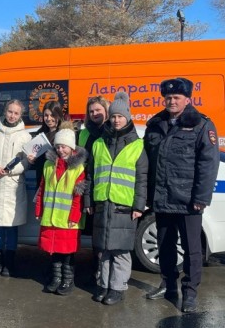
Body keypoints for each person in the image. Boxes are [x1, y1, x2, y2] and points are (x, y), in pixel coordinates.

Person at [144, 77, 220, 313]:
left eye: (176, 97)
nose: (171, 101)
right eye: (168, 97)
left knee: (191, 249)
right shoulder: (155, 124)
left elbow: (209, 164)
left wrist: (201, 198)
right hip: (162, 198)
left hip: (188, 201)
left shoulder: (201, 125)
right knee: (165, 246)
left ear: (188, 99)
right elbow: (147, 162)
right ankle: (168, 286)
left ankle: (189, 292)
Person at [86, 92, 148, 305]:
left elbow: (142, 178)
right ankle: (103, 285)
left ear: (128, 117)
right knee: (103, 250)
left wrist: (139, 205)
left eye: (120, 116)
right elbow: (90, 176)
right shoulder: (98, 144)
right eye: (113, 116)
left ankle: (118, 287)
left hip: (124, 206)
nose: (116, 120)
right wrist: (88, 201)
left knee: (120, 251)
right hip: (103, 203)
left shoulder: (137, 145)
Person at [0, 100, 31, 277]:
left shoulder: (25, 136)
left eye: (16, 113)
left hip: (13, 185)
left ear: (20, 115)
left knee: (11, 225)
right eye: (10, 111)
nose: (12, 115)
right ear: (5, 111)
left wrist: (11, 170)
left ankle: (9, 261)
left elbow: (27, 161)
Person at [35, 121, 87, 296]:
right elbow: (42, 188)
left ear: (72, 148)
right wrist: (38, 210)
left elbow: (78, 195)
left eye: (64, 147)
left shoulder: (78, 168)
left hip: (68, 220)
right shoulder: (49, 165)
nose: (61, 150)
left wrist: (74, 216)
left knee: (67, 253)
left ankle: (68, 280)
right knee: (54, 251)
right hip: (51, 217)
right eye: (58, 147)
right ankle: (56, 278)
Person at [77, 96, 111, 277]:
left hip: (105, 187)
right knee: (92, 232)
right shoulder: (83, 133)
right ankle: (95, 269)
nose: (94, 114)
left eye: (98, 110)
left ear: (106, 110)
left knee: (103, 232)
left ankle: (103, 271)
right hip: (86, 186)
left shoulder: (112, 130)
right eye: (91, 111)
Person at [32, 101, 65, 188]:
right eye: (46, 115)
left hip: (59, 180)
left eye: (52, 115)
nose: (49, 118)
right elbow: (36, 161)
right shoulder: (39, 134)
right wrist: (32, 159)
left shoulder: (65, 133)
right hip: (41, 181)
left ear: (59, 115)